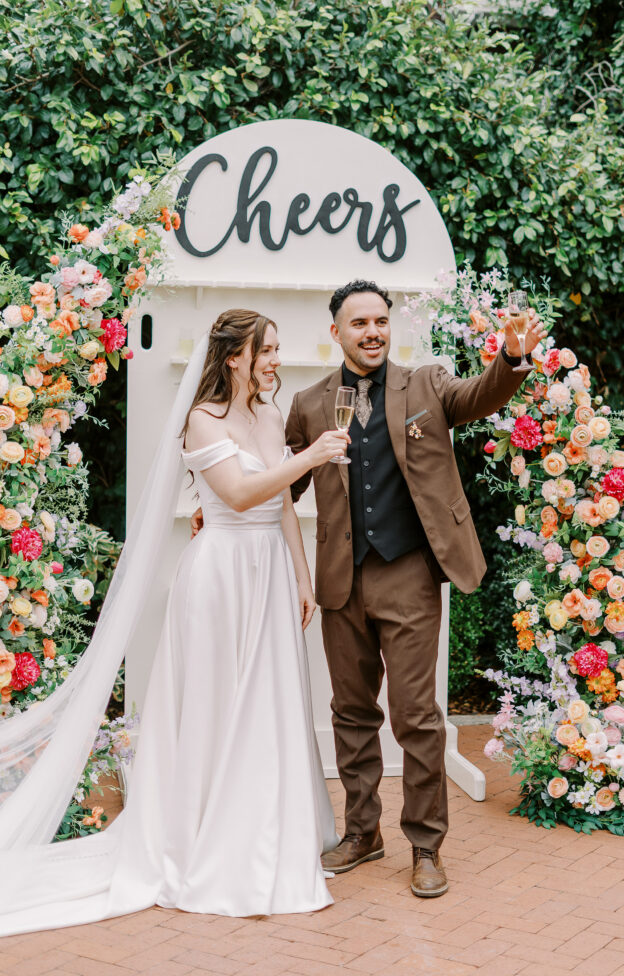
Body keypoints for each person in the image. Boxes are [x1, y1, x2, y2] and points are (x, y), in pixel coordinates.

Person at [0, 309, 349, 935]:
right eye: (265, 351)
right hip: (220, 577)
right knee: (218, 705)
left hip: (268, 569)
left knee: (266, 701)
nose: (274, 360)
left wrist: (301, 576)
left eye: (275, 350)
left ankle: (263, 828)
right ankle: (202, 839)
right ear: (235, 358)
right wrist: (315, 457)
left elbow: (278, 510)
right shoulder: (202, 418)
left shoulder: (269, 415)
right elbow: (241, 495)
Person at [284, 280, 547, 898]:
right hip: (340, 581)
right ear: (336, 333)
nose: (372, 332)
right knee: (350, 713)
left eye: (380, 321)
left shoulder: (426, 385)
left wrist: (509, 359)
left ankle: (426, 846)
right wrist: (218, 509)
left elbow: (482, 395)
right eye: (359, 324)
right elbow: (284, 479)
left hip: (407, 574)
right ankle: (362, 833)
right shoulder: (309, 402)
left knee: (416, 716)